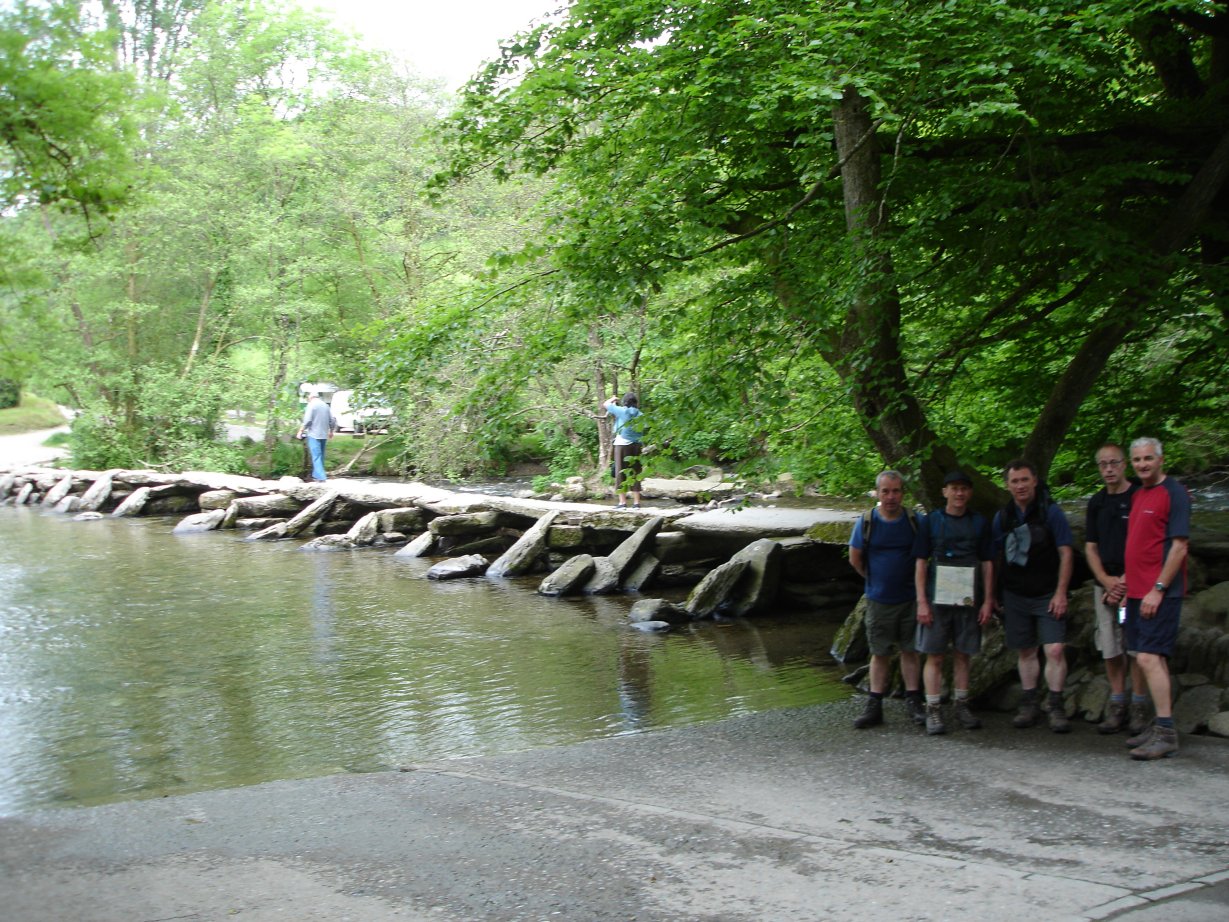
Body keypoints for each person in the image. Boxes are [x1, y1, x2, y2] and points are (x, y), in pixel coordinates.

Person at [991, 459, 1075, 732]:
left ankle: (1056, 705)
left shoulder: (1051, 513)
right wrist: (991, 595)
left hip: (1047, 592)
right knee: (1026, 650)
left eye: (1024, 480)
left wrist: (1061, 593)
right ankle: (1029, 704)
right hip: (1015, 593)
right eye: (1014, 481)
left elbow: (1066, 553)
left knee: (1055, 649)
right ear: (1007, 485)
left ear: (1035, 481)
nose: (1020, 486)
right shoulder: (1003, 517)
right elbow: (993, 558)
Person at [1122, 437, 1190, 760]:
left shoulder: (1174, 493)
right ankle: (1159, 724)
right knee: (1148, 657)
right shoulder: (1139, 493)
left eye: (1148, 458)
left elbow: (1179, 547)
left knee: (1149, 657)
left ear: (1161, 459)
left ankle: (1166, 732)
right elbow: (1138, 544)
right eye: (1137, 460)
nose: (1143, 464)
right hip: (1137, 592)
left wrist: (1158, 589)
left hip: (1160, 592)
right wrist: (1127, 586)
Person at [913, 471, 995, 735]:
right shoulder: (931, 522)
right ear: (944, 491)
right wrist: (921, 602)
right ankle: (933, 710)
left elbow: (988, 563)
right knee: (934, 655)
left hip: (969, 599)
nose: (959, 493)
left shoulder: (979, 523)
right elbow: (920, 562)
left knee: (963, 654)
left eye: (964, 489)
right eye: (954, 488)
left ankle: (962, 705)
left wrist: (988, 601)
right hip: (937, 600)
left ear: (970, 493)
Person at [847, 470, 925, 729]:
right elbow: (855, 558)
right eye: (886, 491)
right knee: (879, 653)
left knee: (910, 651)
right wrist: (874, 579)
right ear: (878, 493)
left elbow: (927, 555)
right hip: (879, 600)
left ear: (903, 493)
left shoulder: (915, 520)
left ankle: (914, 702)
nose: (891, 497)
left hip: (911, 598)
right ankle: (875, 705)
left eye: (896, 491)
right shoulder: (867, 521)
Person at [1084, 443, 1146, 735]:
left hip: (1134, 586)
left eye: (1113, 463)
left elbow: (1145, 544)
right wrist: (1106, 581)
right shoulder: (1096, 502)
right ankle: (1117, 702)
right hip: (1105, 587)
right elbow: (1091, 547)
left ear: (1124, 465)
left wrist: (1123, 581)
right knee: (1110, 647)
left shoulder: (1139, 497)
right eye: (1103, 464)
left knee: (1134, 647)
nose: (1108, 469)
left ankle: (1138, 706)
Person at [602, 393, 643, 509]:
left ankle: (622, 503)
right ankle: (636, 503)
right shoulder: (640, 414)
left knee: (620, 472)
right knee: (635, 472)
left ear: (625, 402)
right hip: (637, 445)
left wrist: (613, 399)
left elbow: (605, 404)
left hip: (622, 444)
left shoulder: (622, 411)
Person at [296, 391, 335, 483]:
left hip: (314, 434)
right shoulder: (326, 406)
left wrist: (301, 431)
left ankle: (322, 477)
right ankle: (316, 475)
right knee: (320, 456)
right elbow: (332, 420)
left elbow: (307, 420)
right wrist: (331, 431)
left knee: (316, 456)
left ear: (310, 398)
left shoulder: (311, 405)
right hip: (324, 435)